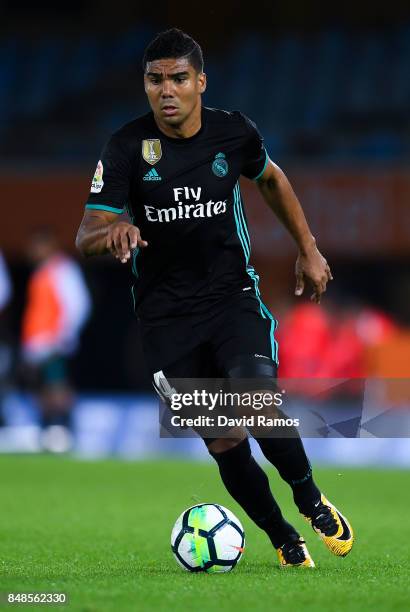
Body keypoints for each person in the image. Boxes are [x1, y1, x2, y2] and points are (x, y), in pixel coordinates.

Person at [76, 28, 353, 567]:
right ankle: (283, 539)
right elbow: (85, 233)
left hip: (231, 299)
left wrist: (308, 249)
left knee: (256, 397)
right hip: (166, 320)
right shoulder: (127, 147)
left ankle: (311, 500)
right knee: (224, 439)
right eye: (155, 80)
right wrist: (116, 229)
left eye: (179, 78)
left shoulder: (233, 133)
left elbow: (271, 178)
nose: (167, 90)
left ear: (200, 81)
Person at [22, 228, 91, 451]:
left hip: (54, 341)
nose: (33, 252)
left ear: (49, 245)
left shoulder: (63, 270)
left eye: (37, 246)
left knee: (57, 386)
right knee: (42, 389)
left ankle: (64, 429)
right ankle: (48, 430)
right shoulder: (42, 272)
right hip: (37, 343)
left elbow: (78, 304)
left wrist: (63, 335)